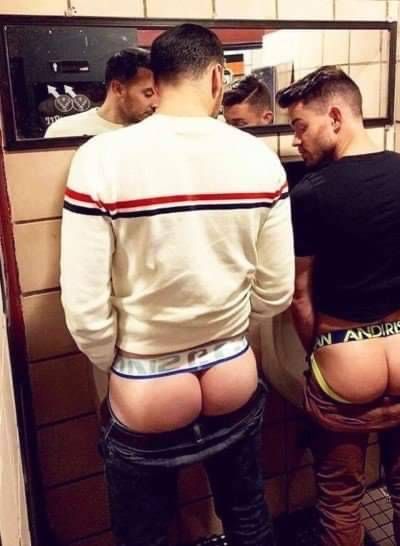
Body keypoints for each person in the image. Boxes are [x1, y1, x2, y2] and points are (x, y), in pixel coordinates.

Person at [60, 23, 294, 546]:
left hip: (147, 385)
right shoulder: (259, 158)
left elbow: (84, 307)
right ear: (216, 77)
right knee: (248, 517)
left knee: (145, 535)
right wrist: (228, 326)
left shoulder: (101, 157)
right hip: (231, 369)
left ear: (156, 79)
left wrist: (120, 361)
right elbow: (277, 289)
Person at [276, 66, 400, 546]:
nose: (296, 141)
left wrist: (320, 351)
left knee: (341, 498)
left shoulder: (310, 195)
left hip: (346, 362)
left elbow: (300, 295)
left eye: (300, 127)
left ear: (334, 116)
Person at [45, 47, 157, 137]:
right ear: (118, 89)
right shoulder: (64, 131)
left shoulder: (156, 133)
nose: (156, 103)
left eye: (159, 94)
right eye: (148, 94)